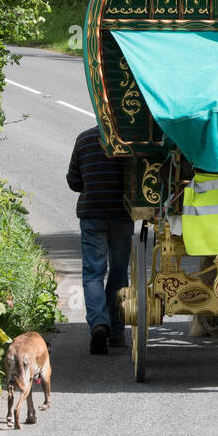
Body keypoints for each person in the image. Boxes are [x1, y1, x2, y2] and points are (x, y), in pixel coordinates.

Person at [66, 127, 134, 354]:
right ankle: (115, 332)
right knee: (118, 273)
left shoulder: (83, 138)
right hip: (121, 216)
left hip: (92, 215)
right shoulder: (128, 140)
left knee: (93, 272)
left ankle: (98, 323)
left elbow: (74, 181)